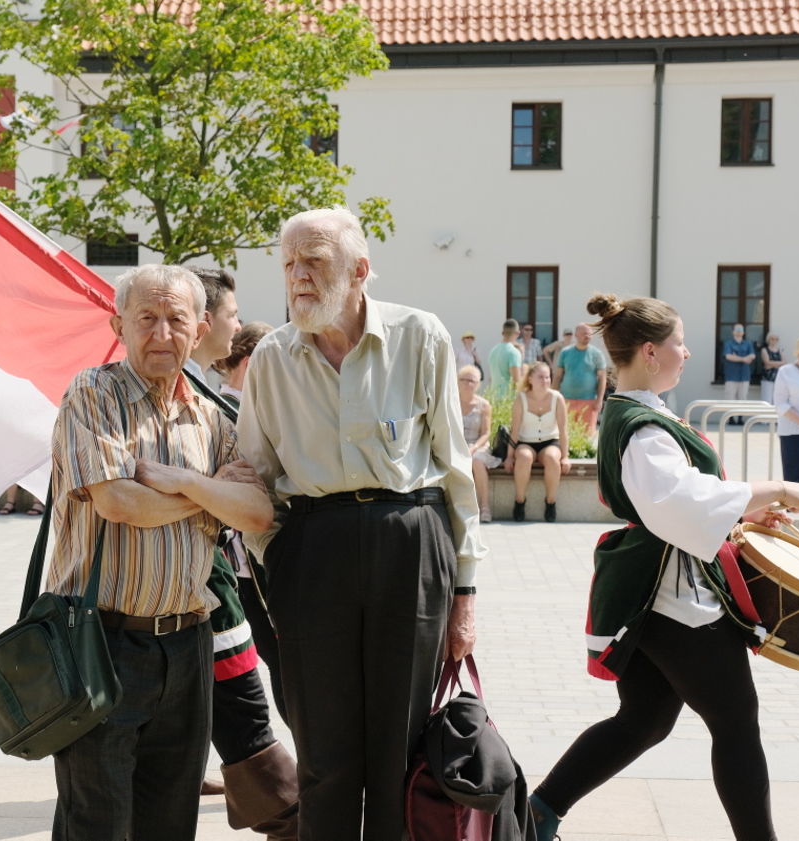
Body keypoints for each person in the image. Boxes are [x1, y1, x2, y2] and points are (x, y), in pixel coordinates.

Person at [237, 207, 485, 840]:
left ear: (359, 271)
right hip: (311, 549)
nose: (298, 278)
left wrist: (464, 593)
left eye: (314, 263)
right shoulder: (270, 358)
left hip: (410, 541)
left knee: (400, 745)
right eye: (289, 264)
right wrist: (279, 558)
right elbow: (255, 477)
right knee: (322, 748)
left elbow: (455, 471)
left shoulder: (420, 336)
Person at [528, 294, 799, 841]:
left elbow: (678, 500)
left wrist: (744, 510)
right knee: (735, 724)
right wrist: (776, 487)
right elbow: (676, 504)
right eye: (680, 342)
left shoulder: (639, 412)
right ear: (651, 351)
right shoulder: (643, 425)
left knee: (645, 721)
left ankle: (536, 814)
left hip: (654, 594)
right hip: (672, 600)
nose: (687, 351)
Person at [47, 264, 273, 841]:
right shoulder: (92, 393)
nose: (162, 333)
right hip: (100, 641)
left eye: (177, 319)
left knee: (171, 821)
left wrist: (183, 484)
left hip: (189, 643)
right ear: (117, 323)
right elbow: (120, 501)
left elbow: (257, 513)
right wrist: (211, 495)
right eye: (146, 318)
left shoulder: (213, 418)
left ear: (200, 330)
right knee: (96, 823)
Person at [185, 267, 297, 838]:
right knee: (247, 728)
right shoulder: (170, 393)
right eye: (231, 313)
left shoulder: (202, 393)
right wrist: (215, 487)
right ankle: (288, 821)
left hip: (211, 585)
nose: (236, 321)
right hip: (205, 590)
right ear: (203, 322)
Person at [505, 361, 571, 522]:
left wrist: (566, 456)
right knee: (524, 457)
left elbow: (563, 430)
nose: (545, 381)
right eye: (541, 377)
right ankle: (520, 501)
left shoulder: (557, 398)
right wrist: (509, 456)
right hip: (526, 441)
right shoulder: (521, 399)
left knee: (551, 458)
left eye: (548, 377)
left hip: (550, 441)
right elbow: (514, 430)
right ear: (530, 379)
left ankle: (550, 502)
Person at [457, 364, 500, 523]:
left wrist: (473, 448)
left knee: (477, 461)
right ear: (457, 381)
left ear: (478, 384)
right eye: (464, 380)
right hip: (457, 444)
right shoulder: (451, 401)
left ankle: (485, 507)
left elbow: (486, 433)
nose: (468, 384)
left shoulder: (484, 405)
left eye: (472, 381)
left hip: (478, 445)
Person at [554, 322, 607, 437]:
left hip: (588, 401)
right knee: (566, 434)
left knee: (587, 436)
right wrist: (553, 397)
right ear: (576, 335)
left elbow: (602, 378)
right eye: (584, 334)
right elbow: (558, 376)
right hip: (566, 400)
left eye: (589, 334)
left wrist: (599, 400)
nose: (587, 336)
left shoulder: (597, 354)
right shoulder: (565, 353)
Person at [772, 334, 799, 484]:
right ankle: (796, 508)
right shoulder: (786, 371)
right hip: (793, 433)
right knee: (796, 480)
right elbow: (780, 403)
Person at [722, 323, 756, 424]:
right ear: (733, 332)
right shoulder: (728, 343)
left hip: (744, 375)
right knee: (730, 398)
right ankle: (731, 419)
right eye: (737, 330)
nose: (739, 332)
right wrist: (744, 359)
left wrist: (736, 357)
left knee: (743, 398)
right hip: (731, 375)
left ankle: (740, 419)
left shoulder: (747, 343)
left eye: (741, 330)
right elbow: (728, 356)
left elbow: (753, 355)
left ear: (743, 332)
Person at [487, 318, 524, 399]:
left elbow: (491, 378)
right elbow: (516, 380)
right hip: (507, 399)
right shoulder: (513, 352)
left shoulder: (493, 351)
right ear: (517, 333)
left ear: (502, 333)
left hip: (493, 396)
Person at [759, 333, 785, 405]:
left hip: (778, 378)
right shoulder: (764, 350)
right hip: (767, 378)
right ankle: (765, 416)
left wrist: (772, 364)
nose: (774, 341)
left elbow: (784, 362)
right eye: (772, 339)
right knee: (766, 400)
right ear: (768, 340)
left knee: (776, 400)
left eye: (776, 339)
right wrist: (778, 364)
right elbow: (767, 363)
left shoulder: (780, 350)